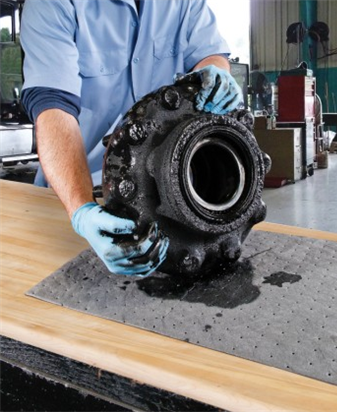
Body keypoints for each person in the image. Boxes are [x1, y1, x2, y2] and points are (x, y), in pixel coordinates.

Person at [20, 0, 242, 278]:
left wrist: (215, 71)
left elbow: (208, 54)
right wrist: (81, 210)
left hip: (164, 193)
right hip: (79, 196)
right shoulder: (53, 3)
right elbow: (53, 108)